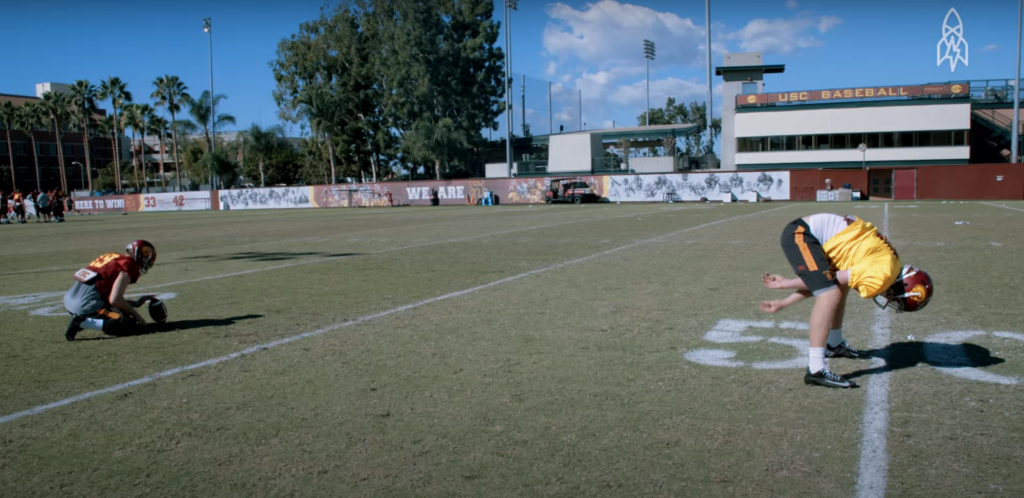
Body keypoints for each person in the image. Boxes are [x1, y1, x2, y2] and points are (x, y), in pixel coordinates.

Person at [760, 213, 933, 388]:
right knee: (830, 293)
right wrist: (787, 286)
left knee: (838, 288)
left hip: (820, 233)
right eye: (896, 299)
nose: (889, 299)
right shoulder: (882, 276)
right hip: (802, 233)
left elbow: (828, 281)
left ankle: (834, 344)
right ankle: (816, 369)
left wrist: (785, 301)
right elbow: (825, 282)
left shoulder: (891, 265)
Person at [63, 240, 158, 341]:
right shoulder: (129, 265)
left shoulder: (113, 256)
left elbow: (109, 296)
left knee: (118, 312)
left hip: (70, 299)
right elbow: (115, 300)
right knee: (128, 323)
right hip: (85, 304)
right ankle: (82, 322)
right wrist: (137, 315)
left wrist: (136, 303)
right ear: (139, 254)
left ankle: (83, 319)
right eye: (145, 253)